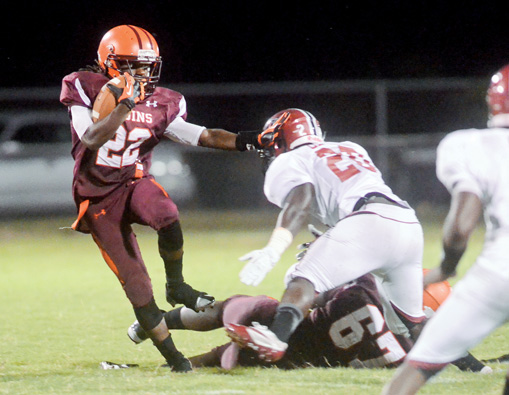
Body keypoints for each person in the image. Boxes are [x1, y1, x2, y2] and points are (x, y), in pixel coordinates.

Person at [59, 25, 261, 372]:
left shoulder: (165, 101)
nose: (143, 74)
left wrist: (251, 139)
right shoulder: (84, 85)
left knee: (165, 211)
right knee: (137, 286)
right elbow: (92, 138)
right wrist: (123, 104)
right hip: (97, 197)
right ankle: (176, 360)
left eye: (147, 66)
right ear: (109, 63)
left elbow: (206, 135)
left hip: (133, 181)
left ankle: (177, 285)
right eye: (133, 66)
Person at [225, 108, 427, 363]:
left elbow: (301, 201)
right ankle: (474, 368)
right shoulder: (352, 148)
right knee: (410, 323)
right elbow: (347, 191)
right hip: (407, 222)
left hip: (369, 222)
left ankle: (276, 338)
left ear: (281, 138)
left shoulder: (289, 160)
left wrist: (274, 248)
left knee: (302, 279)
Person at [382, 64, 509, 394]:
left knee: (414, 372)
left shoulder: (469, 144)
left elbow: (461, 225)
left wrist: (445, 268)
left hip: (499, 273)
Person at [126, 272, 488, 372]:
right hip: (300, 358)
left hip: (287, 326)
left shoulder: (362, 291)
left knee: (230, 308)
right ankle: (175, 363)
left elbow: (311, 292)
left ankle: (156, 323)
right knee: (215, 358)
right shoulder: (409, 355)